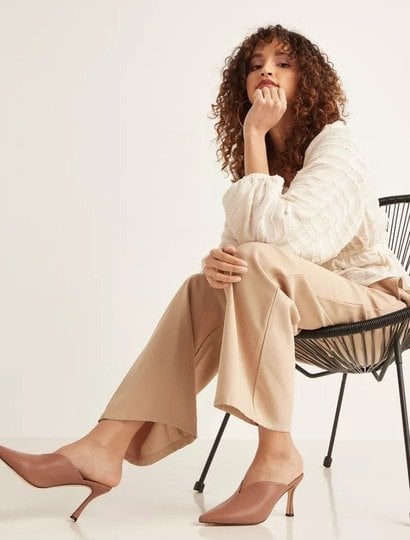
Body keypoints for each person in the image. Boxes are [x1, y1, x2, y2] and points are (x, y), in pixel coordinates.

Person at [1, 23, 409, 527]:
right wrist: (217, 262)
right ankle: (102, 448)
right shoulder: (265, 161)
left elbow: (282, 242)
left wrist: (254, 133)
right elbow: (242, 249)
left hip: (375, 310)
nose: (266, 72)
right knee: (204, 287)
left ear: (310, 82)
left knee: (255, 262)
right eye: (255, 65)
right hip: (290, 305)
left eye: (283, 64)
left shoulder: (336, 147)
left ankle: (277, 453)